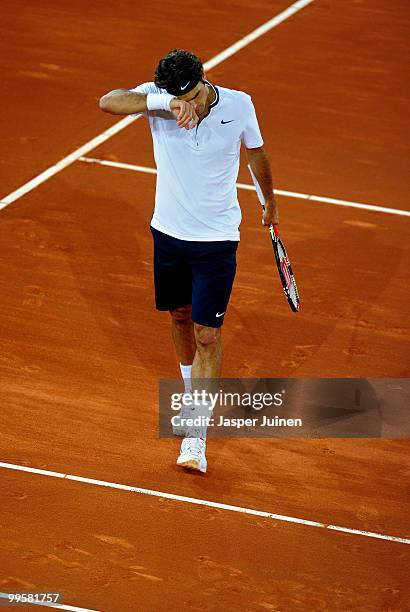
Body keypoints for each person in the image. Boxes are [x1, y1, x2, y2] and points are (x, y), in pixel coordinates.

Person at [99, 49, 278, 474]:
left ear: (205, 80)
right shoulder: (160, 100)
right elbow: (108, 101)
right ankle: (189, 402)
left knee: (207, 335)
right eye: (184, 99)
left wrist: (268, 200)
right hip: (168, 234)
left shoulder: (239, 104)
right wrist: (166, 103)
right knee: (179, 317)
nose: (192, 106)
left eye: (195, 96)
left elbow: (256, 155)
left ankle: (197, 436)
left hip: (216, 240)